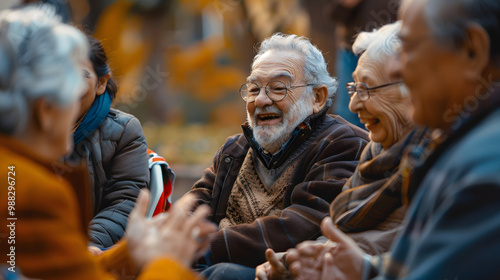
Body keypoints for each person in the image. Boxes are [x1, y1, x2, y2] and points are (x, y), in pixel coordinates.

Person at [287, 0, 500, 279]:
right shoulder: (456, 147)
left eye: (410, 48)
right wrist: (364, 269)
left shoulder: (483, 173)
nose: (397, 69)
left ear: (473, 49)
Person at [0, 6, 215, 279]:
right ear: (46, 110)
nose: (75, 105)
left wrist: (128, 251)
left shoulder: (123, 128)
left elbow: (62, 272)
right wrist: (167, 261)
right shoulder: (32, 194)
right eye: (69, 91)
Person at [254, 21, 431, 280]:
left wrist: (319, 257)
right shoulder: (376, 155)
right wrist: (293, 259)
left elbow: (407, 246)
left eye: (366, 89)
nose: (354, 104)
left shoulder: (440, 159)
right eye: (354, 88)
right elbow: (343, 239)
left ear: (412, 89)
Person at [187, 33, 369, 276]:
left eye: (278, 88)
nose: (261, 100)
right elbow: (195, 207)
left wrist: (204, 248)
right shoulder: (234, 149)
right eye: (254, 89)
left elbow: (301, 226)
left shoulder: (342, 143)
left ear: (317, 98)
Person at [64, 34, 149, 254]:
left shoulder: (124, 131)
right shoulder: (26, 125)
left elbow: (125, 200)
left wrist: (89, 244)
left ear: (101, 82)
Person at [326, 0, 400, 128]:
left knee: (391, 107)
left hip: (395, 48)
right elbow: (334, 13)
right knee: (348, 112)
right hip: (353, 50)